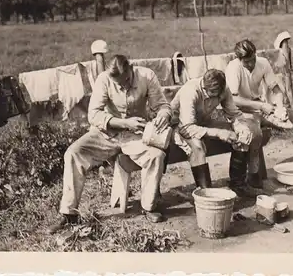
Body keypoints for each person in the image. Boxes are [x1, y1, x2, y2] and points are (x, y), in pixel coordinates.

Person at [49, 54, 172, 233]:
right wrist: (123, 123)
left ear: (131, 68)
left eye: (127, 80)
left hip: (135, 135)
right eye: (119, 84)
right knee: (73, 153)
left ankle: (148, 207)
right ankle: (69, 215)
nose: (125, 86)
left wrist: (163, 115)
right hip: (105, 134)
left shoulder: (147, 75)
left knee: (156, 155)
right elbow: (94, 115)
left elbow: (162, 105)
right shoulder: (103, 80)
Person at [224, 39, 293, 182]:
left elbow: (275, 88)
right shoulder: (233, 68)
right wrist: (261, 106)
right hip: (241, 111)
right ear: (239, 59)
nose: (251, 64)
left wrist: (280, 106)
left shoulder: (262, 63)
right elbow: (233, 99)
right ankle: (252, 176)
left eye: (252, 59)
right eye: (247, 61)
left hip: (262, 107)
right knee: (254, 133)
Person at [170, 68, 265, 198]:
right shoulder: (191, 91)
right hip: (180, 126)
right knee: (198, 148)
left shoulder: (223, 89)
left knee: (241, 135)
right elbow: (187, 127)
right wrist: (219, 133)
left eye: (218, 93)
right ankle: (206, 195)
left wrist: (241, 127)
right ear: (204, 87)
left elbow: (233, 113)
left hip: (203, 122)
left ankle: (238, 186)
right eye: (212, 93)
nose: (216, 96)